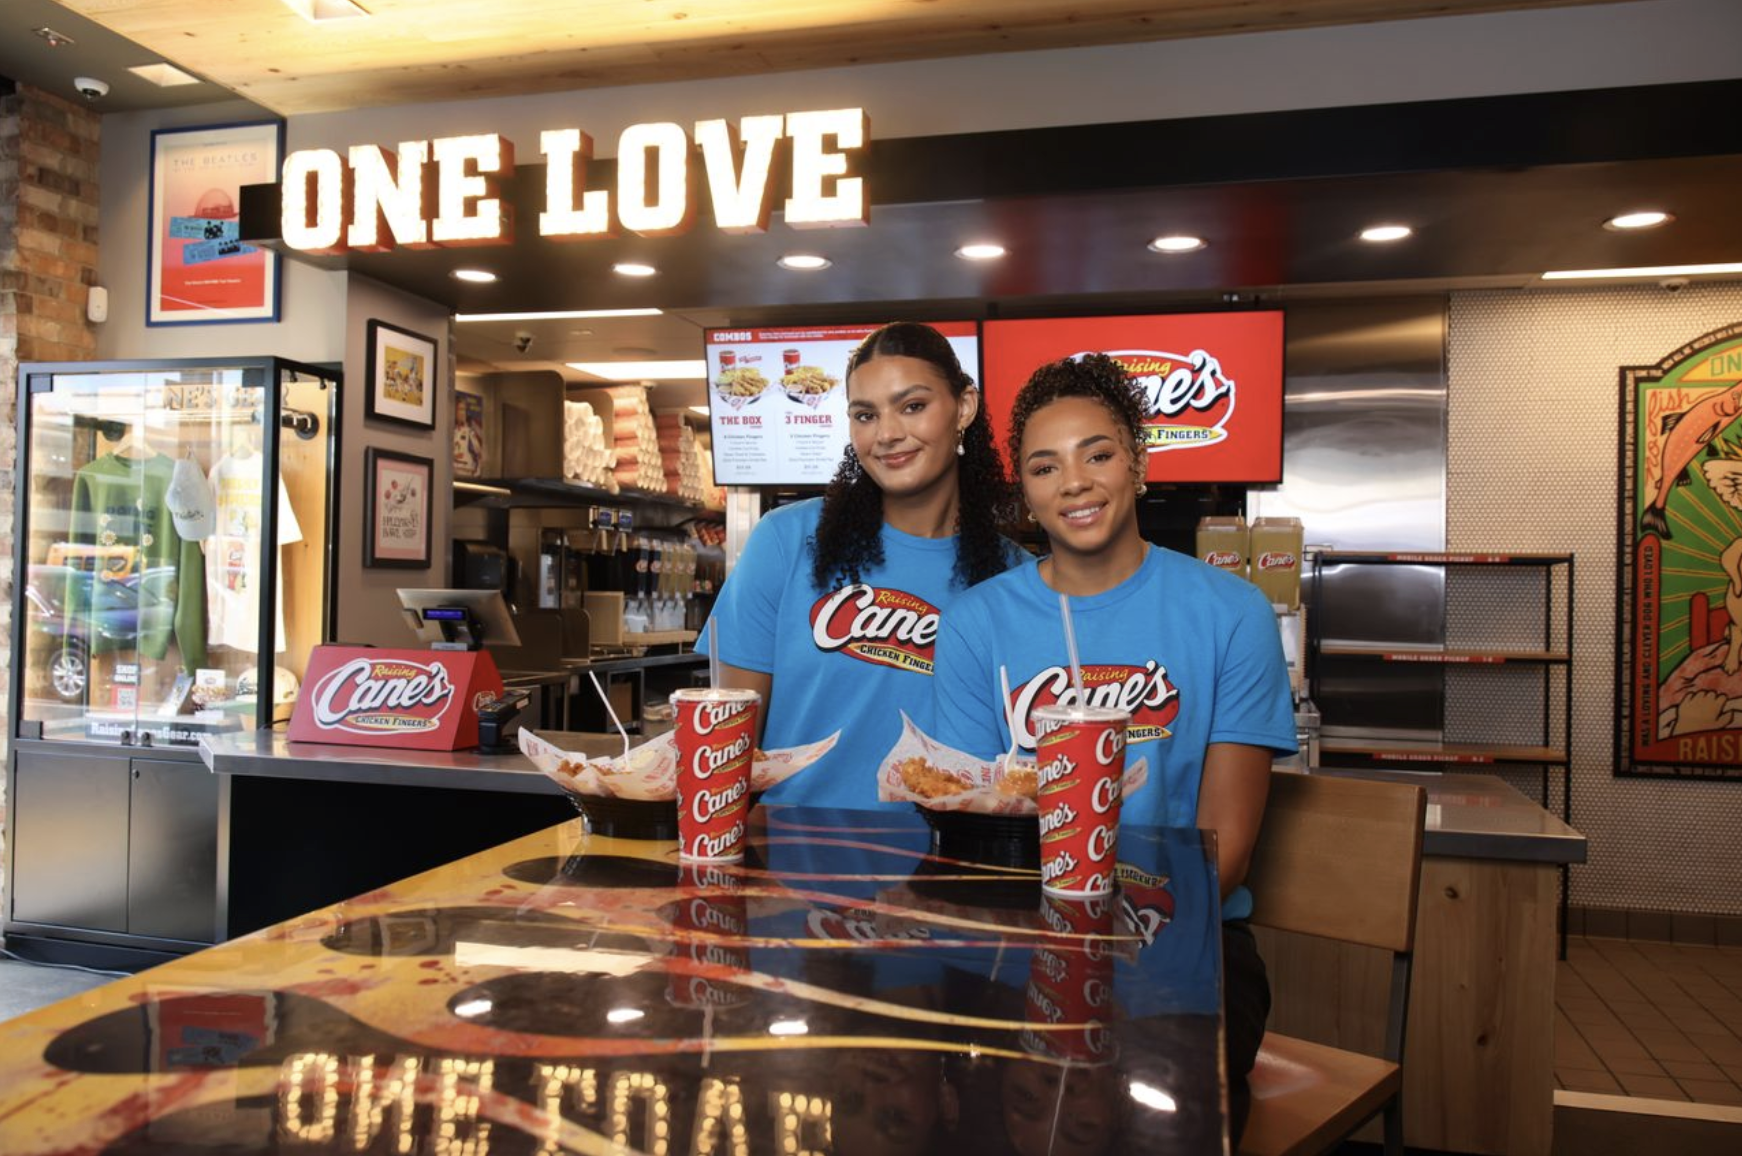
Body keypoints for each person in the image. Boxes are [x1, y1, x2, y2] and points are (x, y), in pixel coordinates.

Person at [930, 352, 1297, 1142]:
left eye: (1096, 455)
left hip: (1189, 941)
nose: (1074, 483)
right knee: (957, 1089)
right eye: (1045, 467)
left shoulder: (1232, 615)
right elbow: (970, 826)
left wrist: (1114, 958)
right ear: (1025, 491)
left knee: (1154, 1102)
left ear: (1139, 464)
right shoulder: (975, 624)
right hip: (1022, 939)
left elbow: (1226, 854)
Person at [699, 322, 1025, 809]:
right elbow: (725, 747)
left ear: (964, 407)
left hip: (953, 852)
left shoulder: (1015, 576)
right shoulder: (786, 541)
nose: (887, 434)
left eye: (912, 406)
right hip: (793, 850)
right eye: (866, 415)